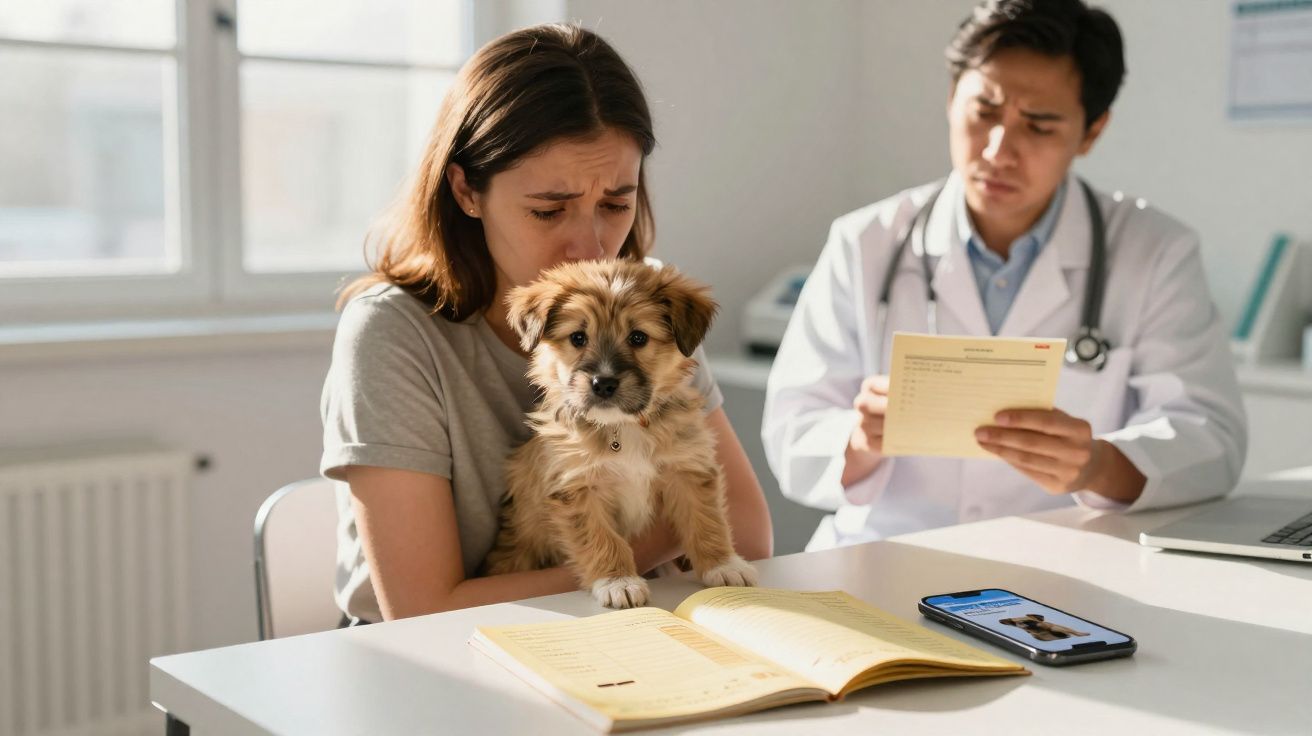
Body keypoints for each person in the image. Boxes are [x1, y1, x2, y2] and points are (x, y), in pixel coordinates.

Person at [321, 24, 773, 623]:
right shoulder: (393, 335)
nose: (590, 246)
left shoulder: (643, 300)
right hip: (432, 656)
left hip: (627, 630)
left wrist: (661, 553)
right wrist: (629, 558)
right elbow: (422, 609)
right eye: (548, 210)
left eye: (615, 203)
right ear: (466, 190)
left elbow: (750, 535)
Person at [762, 0, 1246, 551]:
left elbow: (1211, 437)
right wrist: (858, 439)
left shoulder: (1155, 251)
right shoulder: (865, 241)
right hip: (883, 554)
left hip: (1068, 565)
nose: (998, 150)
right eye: (984, 111)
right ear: (951, 99)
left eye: (1038, 125)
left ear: (1091, 131)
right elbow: (792, 431)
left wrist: (1098, 464)